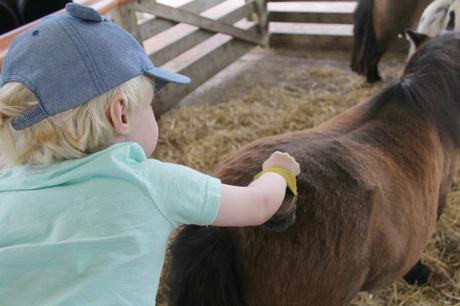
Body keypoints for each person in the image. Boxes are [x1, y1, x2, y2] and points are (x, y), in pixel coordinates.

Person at [0, 3, 300, 305]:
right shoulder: (148, 184)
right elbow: (259, 204)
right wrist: (278, 171)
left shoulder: (5, 189)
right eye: (149, 105)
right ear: (121, 115)